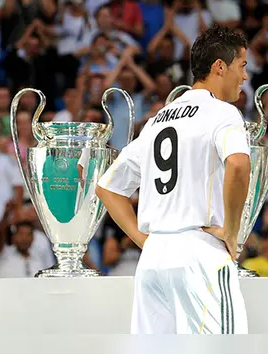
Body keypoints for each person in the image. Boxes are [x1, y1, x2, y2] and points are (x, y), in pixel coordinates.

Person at [97, 24, 252, 334]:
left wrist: (144, 240)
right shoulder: (222, 112)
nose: (245, 76)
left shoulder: (157, 119)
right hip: (200, 250)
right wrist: (232, 231)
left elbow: (107, 187)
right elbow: (238, 165)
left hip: (153, 259)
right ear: (219, 67)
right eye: (242, 66)